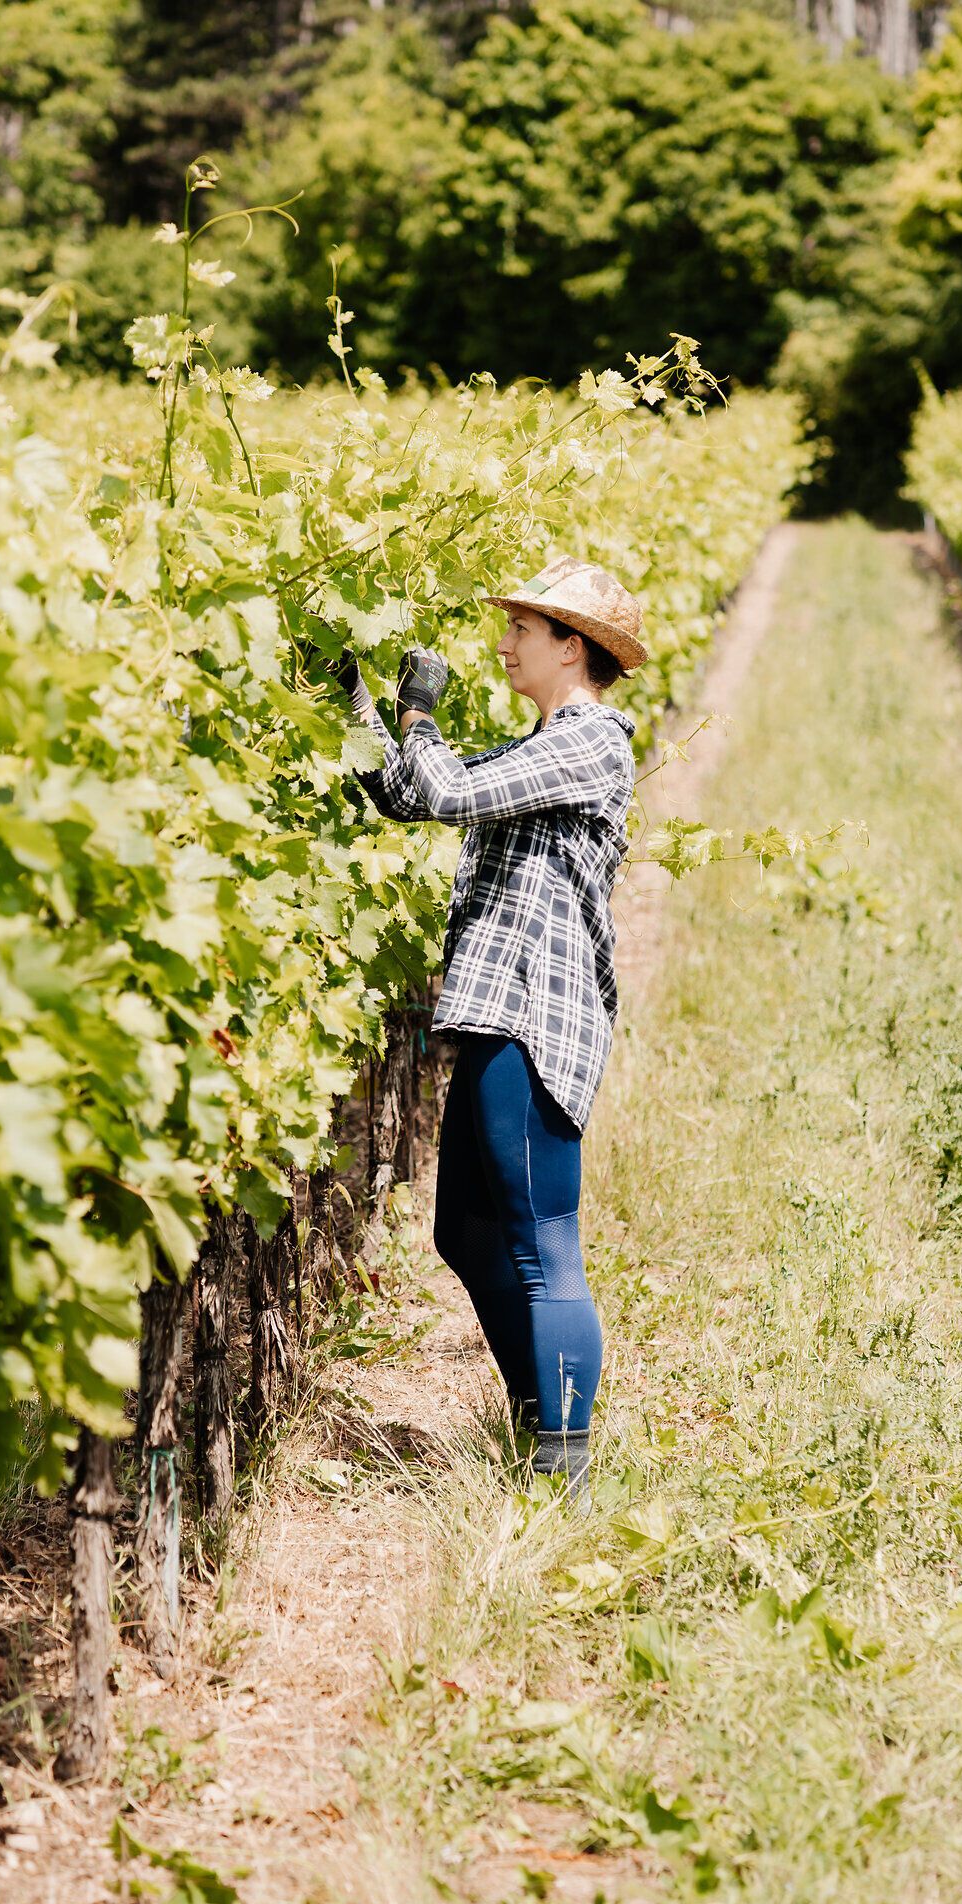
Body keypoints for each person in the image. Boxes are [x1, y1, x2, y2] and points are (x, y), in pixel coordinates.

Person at [333, 556, 645, 1494]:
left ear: (572, 648)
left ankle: (563, 1467)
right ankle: (539, 1413)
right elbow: (406, 793)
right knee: (466, 1234)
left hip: (536, 1015)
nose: (504, 643)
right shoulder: (536, 747)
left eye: (522, 629)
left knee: (542, 1239)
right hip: (492, 1006)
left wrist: (419, 713)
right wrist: (352, 697)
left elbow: (449, 792)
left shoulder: (592, 743)